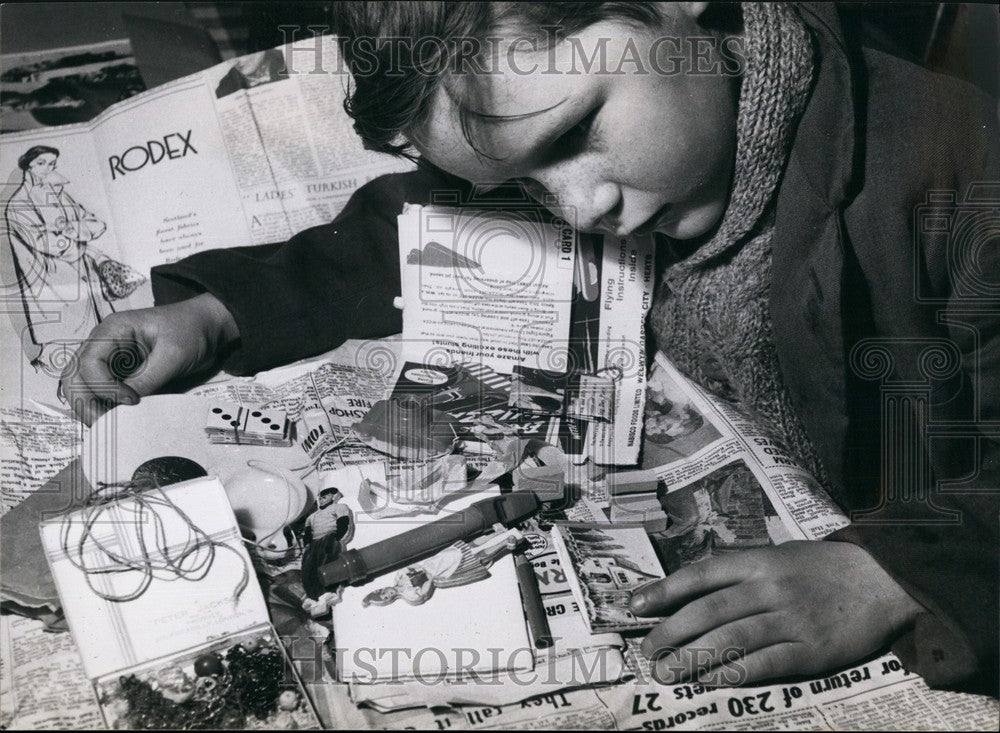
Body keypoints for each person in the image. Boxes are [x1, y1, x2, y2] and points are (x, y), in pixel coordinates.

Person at [62, 3, 998, 694]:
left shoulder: (956, 167)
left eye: (580, 132)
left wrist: (891, 571)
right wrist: (220, 311)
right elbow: (414, 225)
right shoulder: (577, 156)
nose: (579, 205)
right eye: (527, 182)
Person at [4, 145, 112, 374]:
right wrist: (76, 241)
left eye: (51, 164)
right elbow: (43, 241)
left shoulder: (60, 194)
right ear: (28, 165)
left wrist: (71, 230)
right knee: (69, 354)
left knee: (101, 344)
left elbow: (95, 223)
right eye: (41, 163)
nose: (47, 168)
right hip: (52, 286)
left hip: (82, 280)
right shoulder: (19, 204)